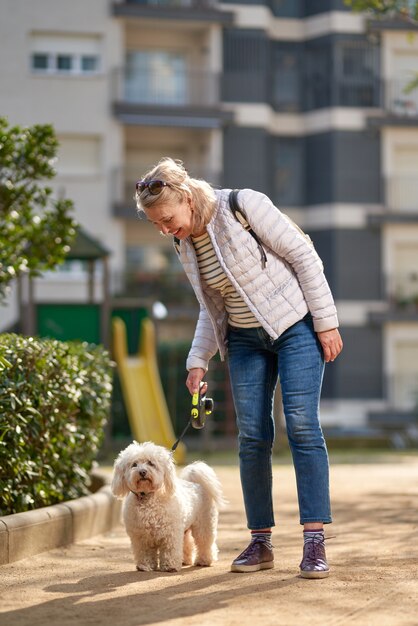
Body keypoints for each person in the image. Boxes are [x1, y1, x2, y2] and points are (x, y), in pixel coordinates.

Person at [135, 157, 343, 578]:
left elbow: (305, 257)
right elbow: (211, 307)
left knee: (302, 425)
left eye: (167, 218)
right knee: (252, 435)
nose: (164, 229)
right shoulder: (184, 244)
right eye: (156, 224)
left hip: (295, 326)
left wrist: (326, 322)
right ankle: (261, 541)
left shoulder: (243, 206)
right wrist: (198, 359)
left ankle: (314, 540)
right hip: (245, 340)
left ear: (186, 197)